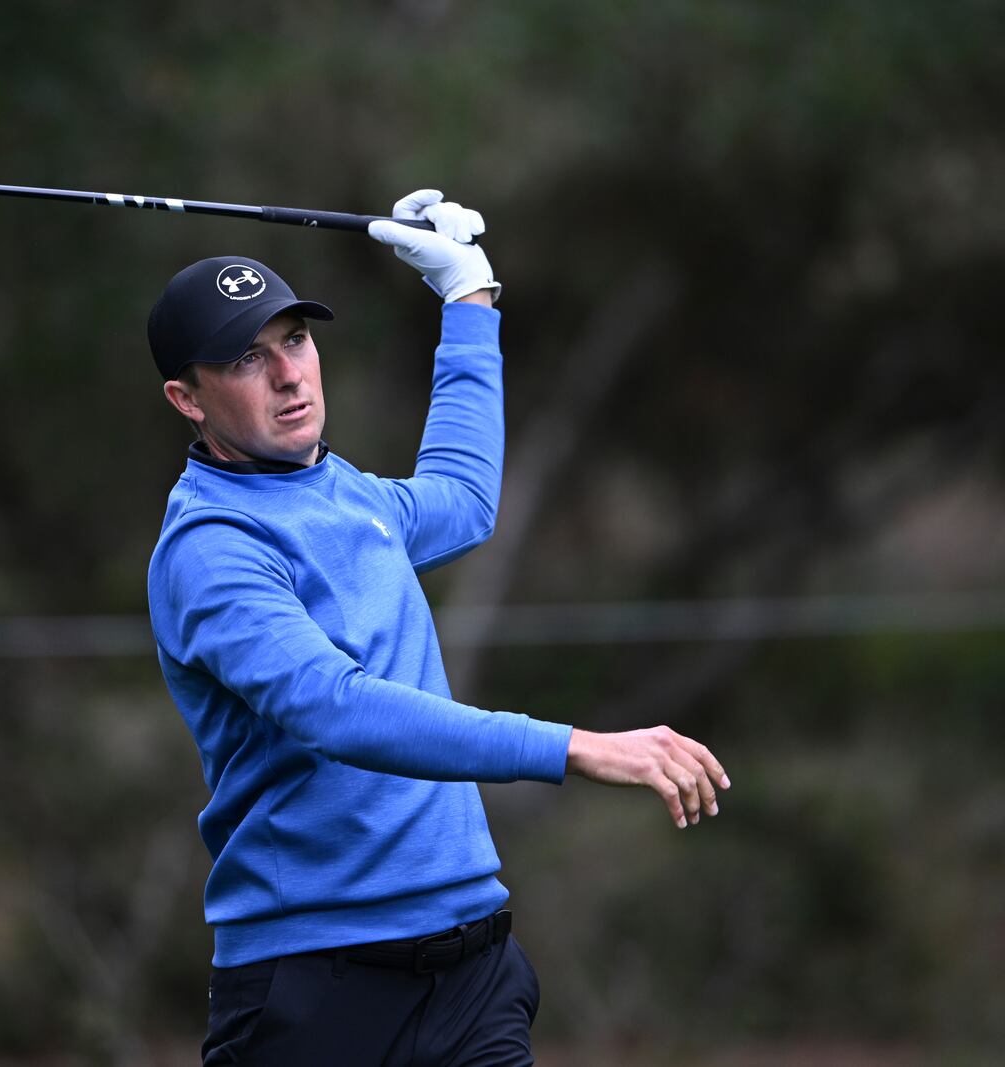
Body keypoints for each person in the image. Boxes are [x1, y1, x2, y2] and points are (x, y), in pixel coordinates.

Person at [146, 190, 730, 1066]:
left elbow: (461, 498)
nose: (289, 375)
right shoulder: (210, 547)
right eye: (244, 359)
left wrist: (469, 301)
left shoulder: (349, 494)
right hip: (315, 982)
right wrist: (572, 746)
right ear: (186, 398)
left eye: (295, 341)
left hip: (470, 968)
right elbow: (335, 708)